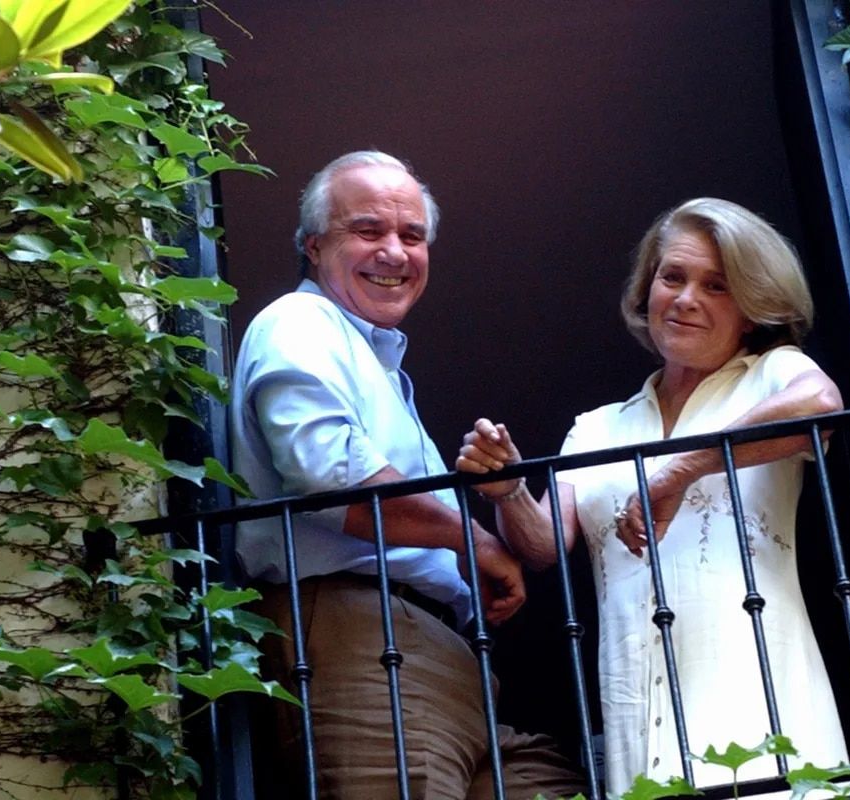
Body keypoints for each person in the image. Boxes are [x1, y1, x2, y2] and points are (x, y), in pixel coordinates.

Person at [457, 198, 849, 796]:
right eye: (673, 277)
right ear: (648, 290)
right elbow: (543, 545)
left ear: (750, 309)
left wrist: (678, 473)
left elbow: (821, 407)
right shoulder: (597, 427)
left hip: (757, 689)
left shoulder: (772, 374)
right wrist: (507, 487)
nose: (686, 299)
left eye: (716, 285)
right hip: (634, 700)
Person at [229, 150, 585, 799]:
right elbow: (329, 474)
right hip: (365, 640)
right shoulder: (299, 322)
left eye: (412, 235)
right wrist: (471, 539)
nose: (394, 251)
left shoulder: (377, 363)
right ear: (314, 245)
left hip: (438, 657)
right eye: (368, 229)